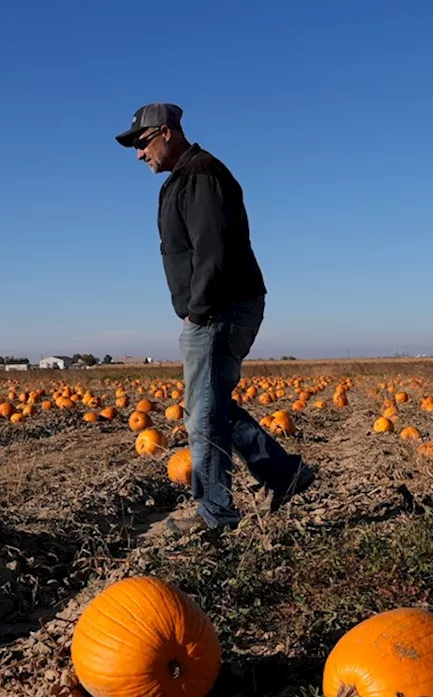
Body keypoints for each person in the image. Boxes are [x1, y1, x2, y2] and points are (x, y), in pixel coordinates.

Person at [115, 102, 315, 534]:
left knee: (203, 412)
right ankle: (284, 473)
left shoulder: (201, 174)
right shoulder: (183, 178)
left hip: (221, 307)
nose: (138, 153)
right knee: (212, 403)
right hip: (219, 306)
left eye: (142, 142)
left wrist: (197, 310)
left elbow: (213, 249)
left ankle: (215, 515)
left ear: (167, 133)